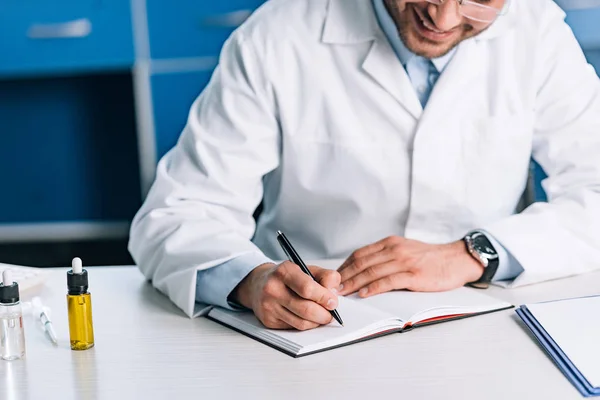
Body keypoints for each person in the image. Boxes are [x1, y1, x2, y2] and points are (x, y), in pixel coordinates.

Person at [129, 0, 600, 330]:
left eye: (478, 0)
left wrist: (473, 254)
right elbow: (177, 214)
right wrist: (250, 283)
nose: (444, 16)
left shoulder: (536, 31)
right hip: (319, 327)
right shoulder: (278, 34)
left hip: (486, 317)